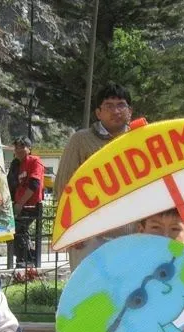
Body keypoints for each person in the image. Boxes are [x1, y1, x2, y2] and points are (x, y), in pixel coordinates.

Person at [54, 82, 136, 271]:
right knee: (90, 294)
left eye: (121, 105)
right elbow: (63, 187)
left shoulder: (140, 140)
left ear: (130, 111)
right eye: (109, 106)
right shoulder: (81, 140)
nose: (116, 111)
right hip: (90, 238)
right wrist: (73, 230)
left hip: (132, 236)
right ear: (98, 113)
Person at [11, 136, 44, 267]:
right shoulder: (17, 164)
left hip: (31, 205)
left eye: (21, 147)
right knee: (18, 231)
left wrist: (20, 203)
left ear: (29, 149)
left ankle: (26, 260)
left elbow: (34, 184)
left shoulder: (35, 161)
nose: (18, 150)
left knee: (17, 230)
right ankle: (26, 259)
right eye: (16, 147)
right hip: (20, 205)